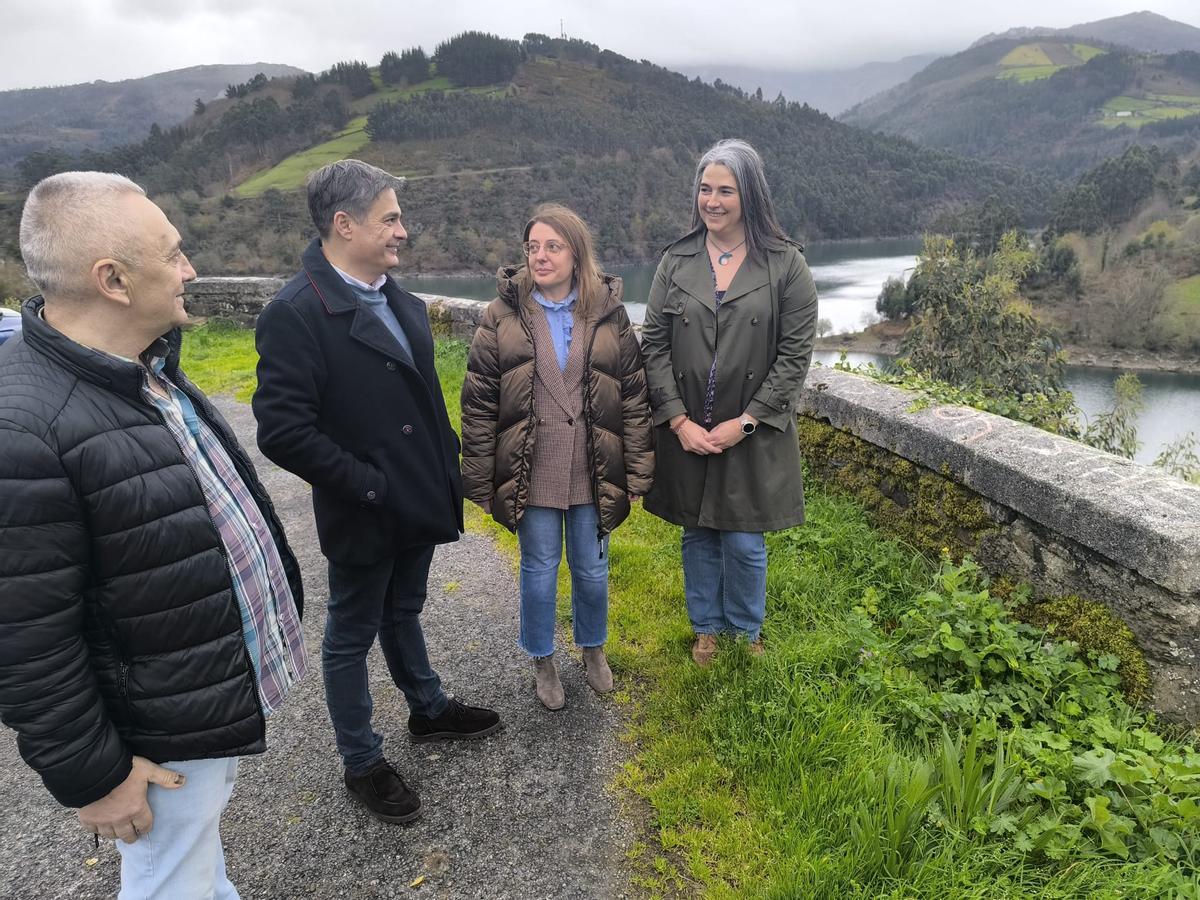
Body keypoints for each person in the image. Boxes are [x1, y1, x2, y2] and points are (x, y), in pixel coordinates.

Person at [0, 172, 307, 898]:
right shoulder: (24, 430)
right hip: (155, 728)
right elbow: (22, 638)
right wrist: (95, 778)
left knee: (194, 865)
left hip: (191, 701)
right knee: (169, 881)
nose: (190, 270)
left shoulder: (137, 367)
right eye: (172, 254)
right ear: (112, 279)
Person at [253, 159, 501, 826]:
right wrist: (366, 483)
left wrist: (443, 466)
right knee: (350, 632)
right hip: (366, 505)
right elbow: (281, 431)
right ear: (344, 224)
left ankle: (428, 708)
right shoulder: (295, 314)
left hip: (417, 494)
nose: (403, 231)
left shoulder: (399, 299)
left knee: (406, 607)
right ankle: (361, 761)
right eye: (390, 218)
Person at [460, 204, 653, 710]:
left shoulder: (608, 314)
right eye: (532, 247)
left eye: (552, 246)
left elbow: (633, 398)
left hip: (595, 463)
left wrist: (636, 470)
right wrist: (479, 481)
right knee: (539, 568)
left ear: (576, 252)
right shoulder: (501, 315)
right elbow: (478, 403)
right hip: (532, 464)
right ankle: (542, 658)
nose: (539, 257)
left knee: (591, 569)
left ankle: (593, 650)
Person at [641, 139, 819, 666]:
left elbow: (794, 357)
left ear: (750, 196)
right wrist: (677, 420)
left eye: (725, 190)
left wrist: (746, 422)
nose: (712, 200)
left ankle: (747, 629)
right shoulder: (676, 261)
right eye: (704, 188)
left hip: (753, 430)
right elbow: (652, 344)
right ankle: (706, 629)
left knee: (743, 538)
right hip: (689, 426)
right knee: (698, 532)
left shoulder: (786, 265)